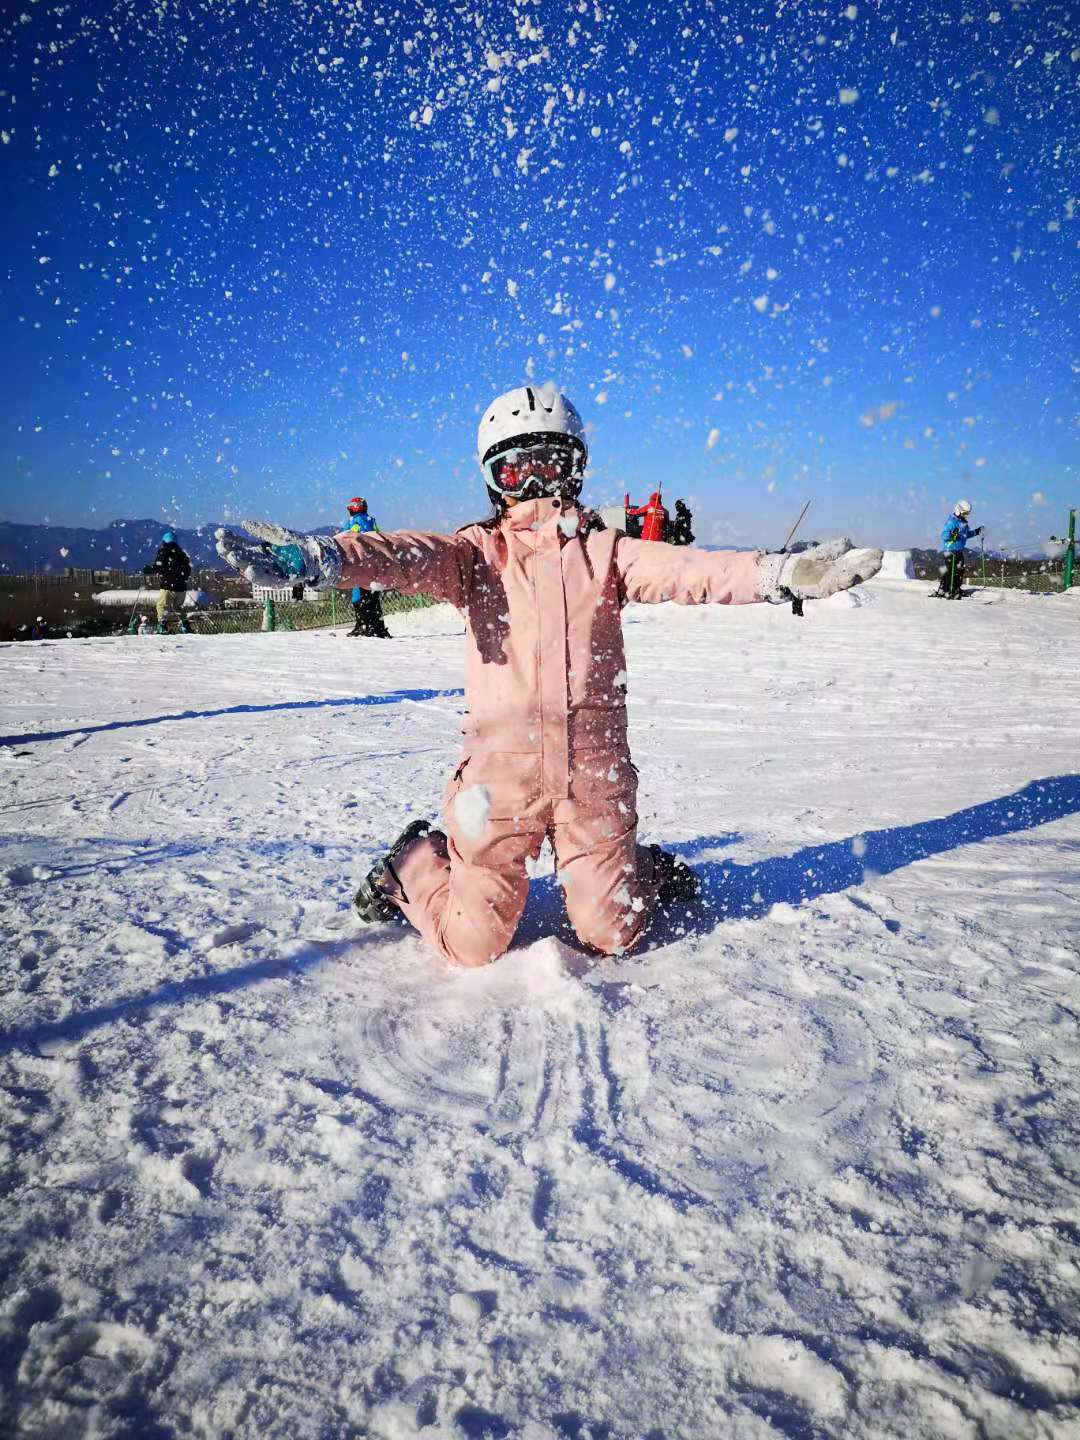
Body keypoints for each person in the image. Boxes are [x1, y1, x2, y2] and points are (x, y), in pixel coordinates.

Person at [216, 383, 882, 968]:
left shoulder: (606, 553)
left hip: (592, 773)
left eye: (550, 466)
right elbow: (402, 556)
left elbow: (691, 570)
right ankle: (414, 863)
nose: (535, 487)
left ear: (577, 469)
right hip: (497, 780)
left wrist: (775, 573)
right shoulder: (473, 556)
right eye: (516, 471)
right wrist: (327, 557)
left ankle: (638, 870)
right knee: (472, 946)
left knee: (615, 933)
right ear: (492, 479)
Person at [344, 497, 390, 638]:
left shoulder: (354, 522)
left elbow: (349, 538)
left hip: (360, 565)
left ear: (353, 508)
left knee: (359, 596)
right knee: (372, 596)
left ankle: (365, 625)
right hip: (374, 564)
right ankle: (375, 625)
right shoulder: (372, 521)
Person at [143, 529, 192, 633]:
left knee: (162, 606)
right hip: (181, 587)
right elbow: (188, 569)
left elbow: (158, 567)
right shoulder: (182, 554)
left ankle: (162, 626)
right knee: (177, 607)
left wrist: (149, 569)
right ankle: (185, 625)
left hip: (168, 585)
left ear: (164, 541)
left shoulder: (164, 551)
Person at [934, 499, 983, 599]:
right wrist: (952, 534)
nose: (966, 516)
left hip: (958, 550)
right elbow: (944, 535)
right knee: (951, 571)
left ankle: (953, 588)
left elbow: (965, 535)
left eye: (967, 514)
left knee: (960, 570)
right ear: (958, 510)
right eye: (964, 513)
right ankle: (949, 590)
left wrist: (976, 532)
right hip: (950, 550)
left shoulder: (963, 523)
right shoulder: (952, 522)